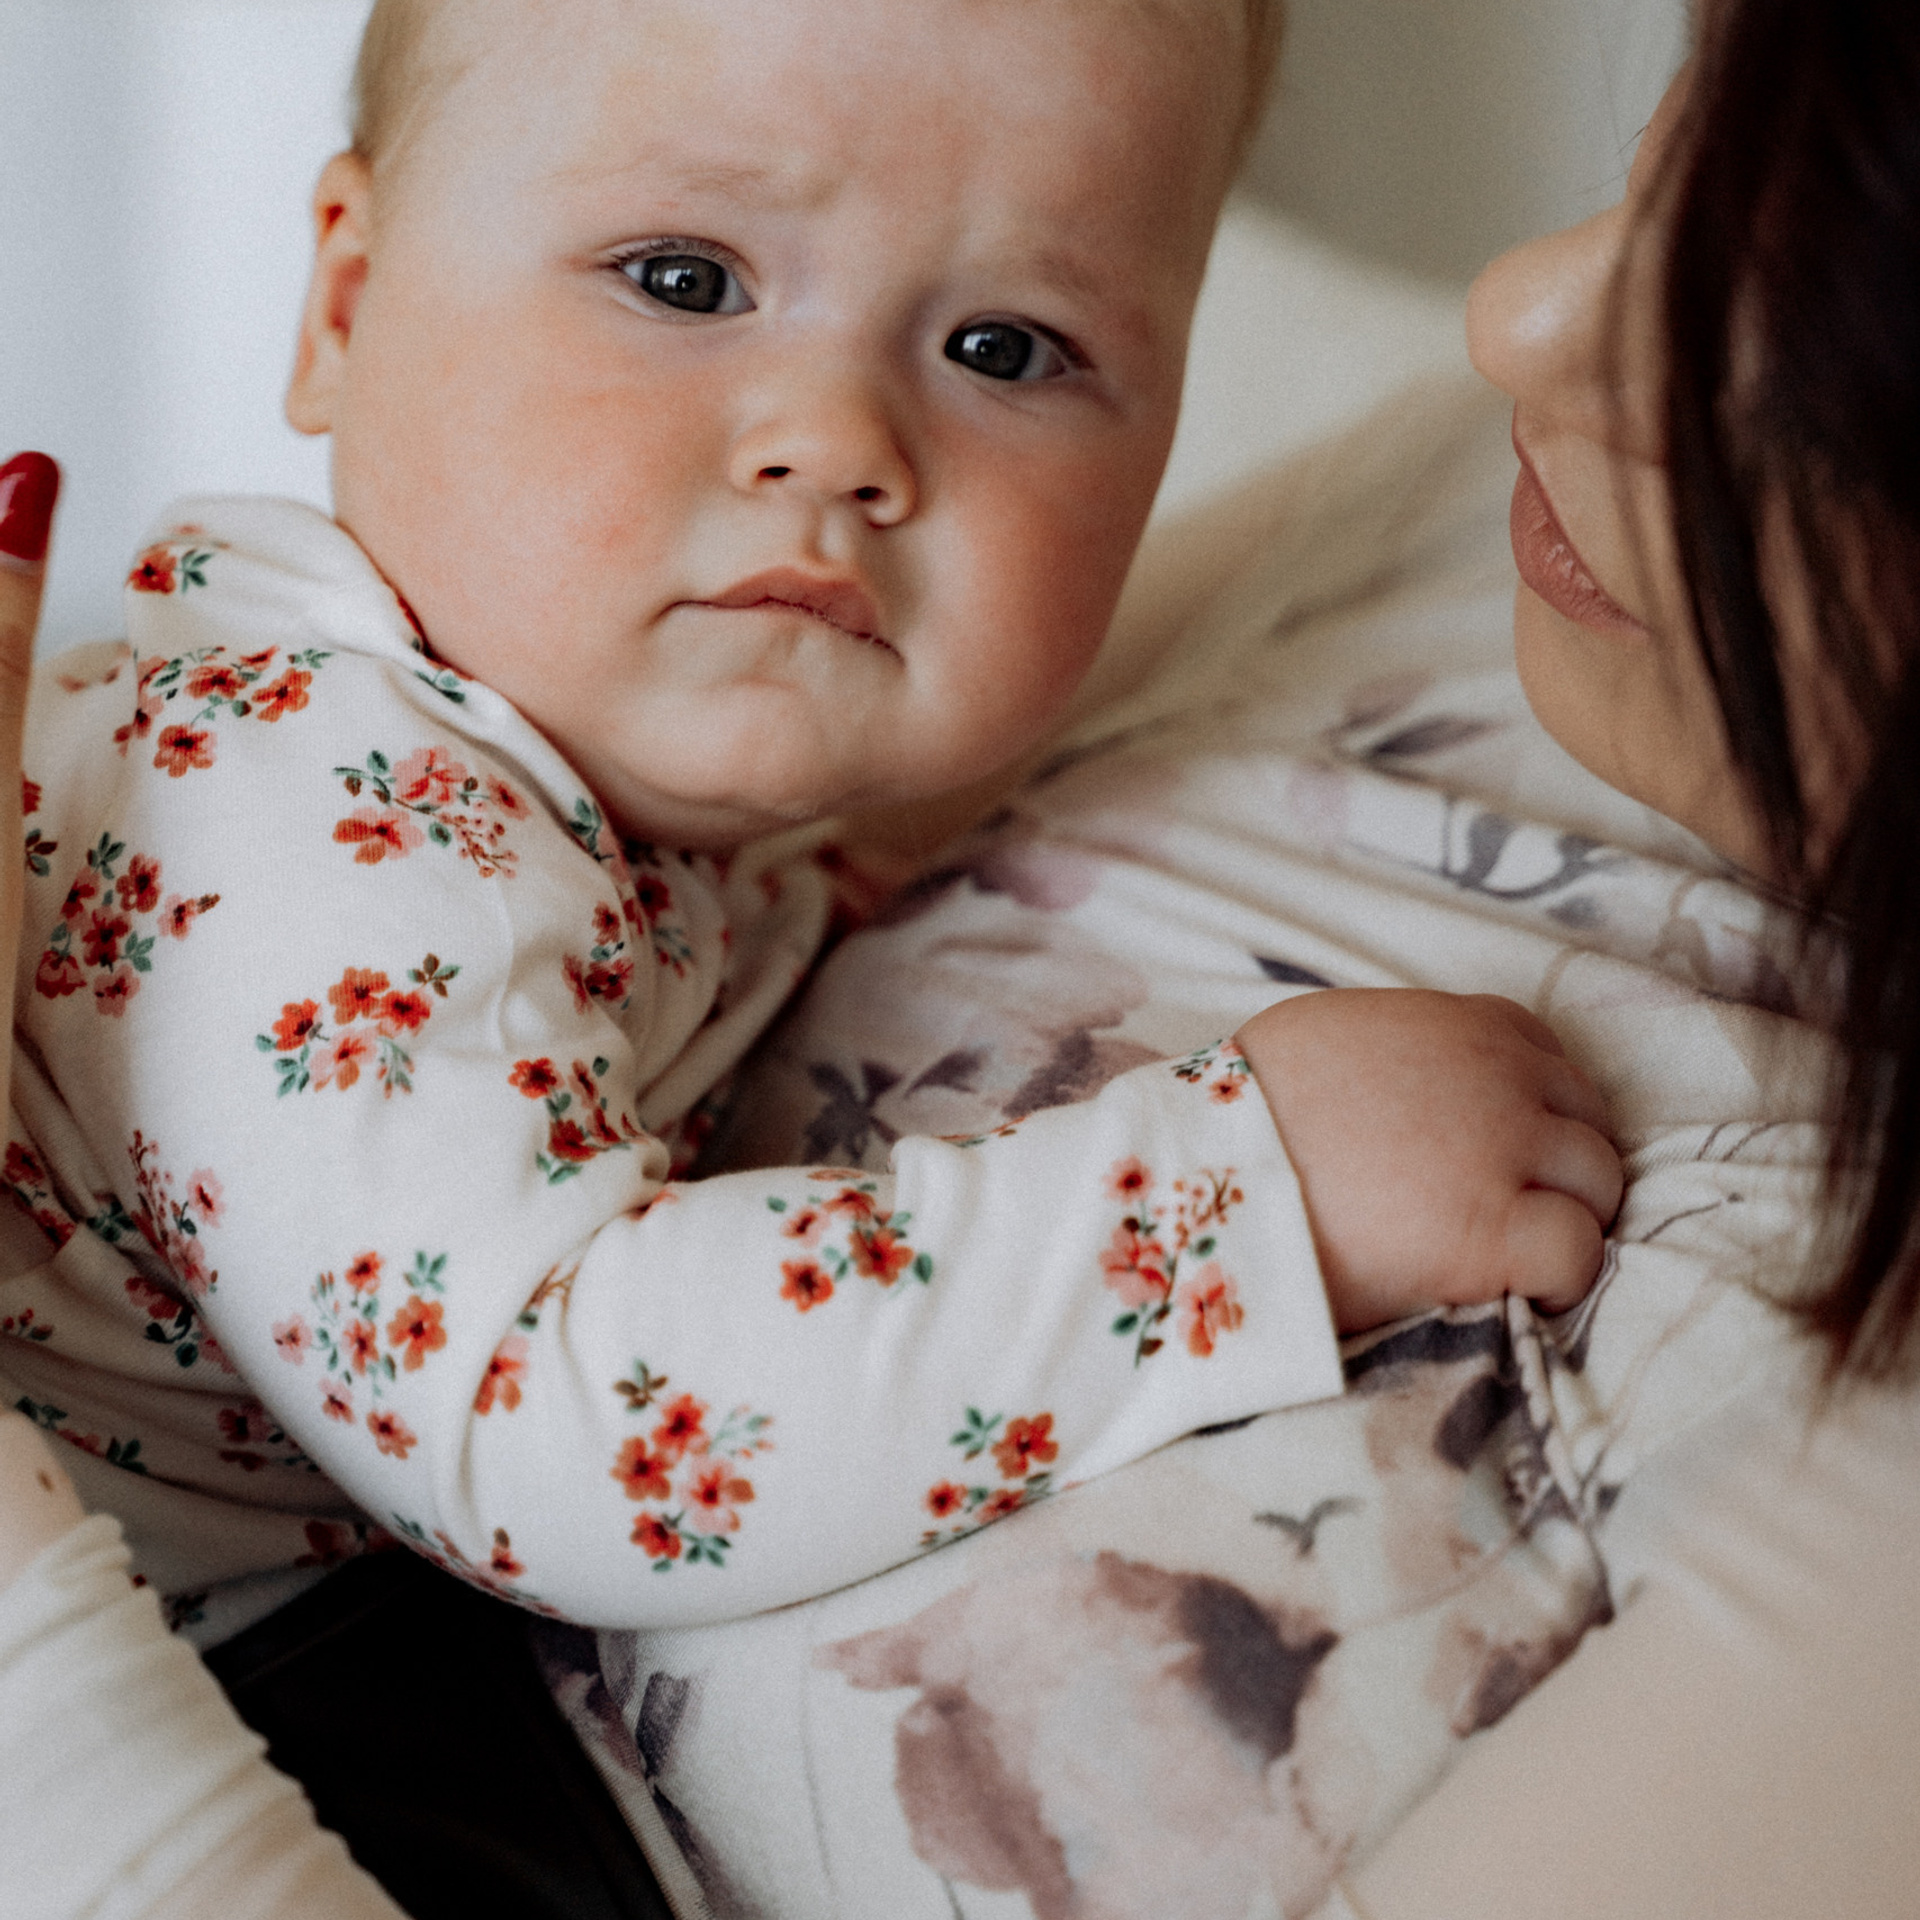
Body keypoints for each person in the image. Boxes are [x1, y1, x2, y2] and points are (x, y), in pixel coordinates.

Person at [0, 0, 1619, 1729]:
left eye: (1006, 347)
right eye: (685, 281)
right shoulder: (310, 798)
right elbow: (561, 1425)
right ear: (345, 301)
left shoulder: (595, 791)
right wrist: (1237, 1201)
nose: (837, 440)